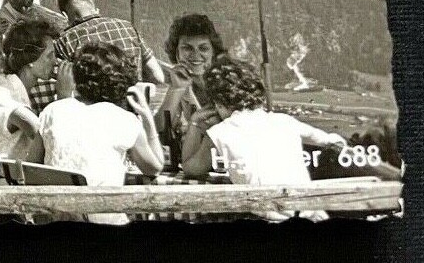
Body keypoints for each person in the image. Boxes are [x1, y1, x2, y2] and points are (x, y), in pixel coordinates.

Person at [181, 58, 347, 220]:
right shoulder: (284, 121)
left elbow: (190, 168)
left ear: (217, 104)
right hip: (310, 213)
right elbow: (329, 140)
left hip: (270, 217)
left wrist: (194, 122)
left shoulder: (220, 132)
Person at [37, 42, 164, 224]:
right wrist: (147, 116)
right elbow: (154, 168)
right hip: (104, 219)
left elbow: (32, 163)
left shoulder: (52, 111)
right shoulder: (124, 119)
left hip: (58, 220)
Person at [0, 19, 61, 170]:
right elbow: (49, 139)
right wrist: (64, 98)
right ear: (30, 60)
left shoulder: (3, 83)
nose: (55, 61)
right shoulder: (9, 101)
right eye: (50, 55)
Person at [54, 0, 166, 90]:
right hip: (133, 101)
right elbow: (158, 76)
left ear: (65, 16)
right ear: (95, 9)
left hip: (92, 103)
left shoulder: (64, 41)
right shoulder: (127, 26)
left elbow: (65, 85)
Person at [155, 13, 226, 156]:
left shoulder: (226, 80)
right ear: (177, 54)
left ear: (213, 52)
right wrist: (177, 88)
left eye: (203, 48)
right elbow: (160, 129)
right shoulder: (182, 83)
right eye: (187, 48)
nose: (195, 55)